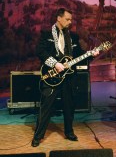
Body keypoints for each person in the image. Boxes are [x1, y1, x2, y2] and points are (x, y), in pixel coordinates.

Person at [31, 8, 99, 147]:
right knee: (46, 107)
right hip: (52, 75)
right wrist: (55, 64)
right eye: (67, 19)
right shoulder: (46, 33)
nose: (70, 21)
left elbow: (80, 56)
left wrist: (91, 54)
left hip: (69, 77)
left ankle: (69, 132)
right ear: (59, 18)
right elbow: (40, 51)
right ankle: (38, 136)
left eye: (70, 19)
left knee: (69, 106)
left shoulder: (72, 36)